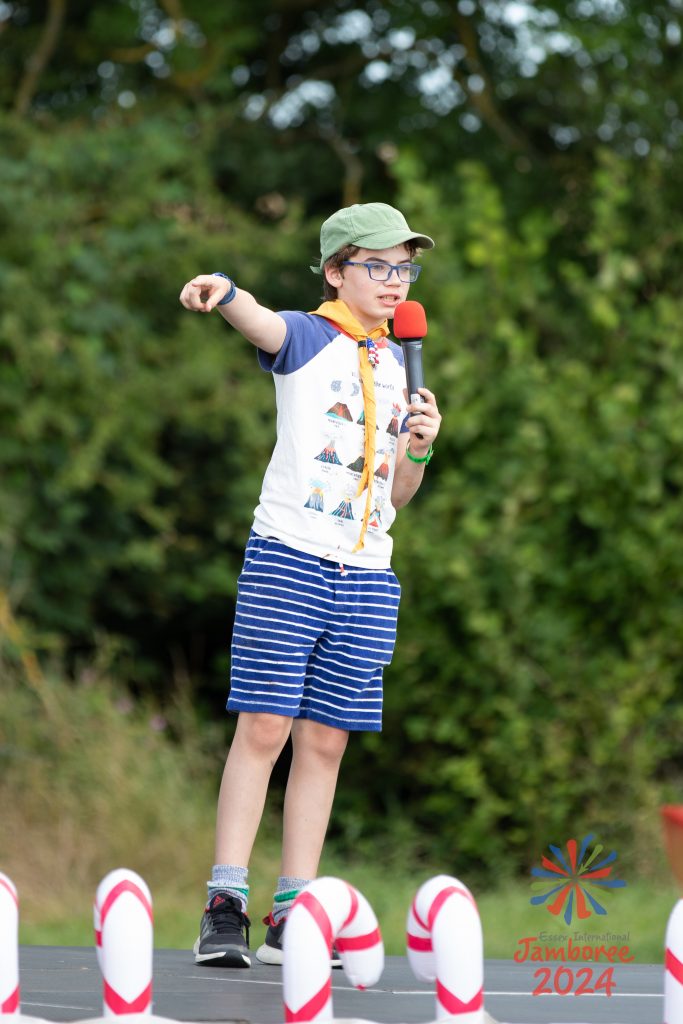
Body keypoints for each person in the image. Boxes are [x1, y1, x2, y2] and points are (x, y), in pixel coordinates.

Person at [179, 202, 442, 968]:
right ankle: (224, 902)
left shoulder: (399, 367)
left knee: (325, 740)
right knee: (264, 727)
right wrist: (223, 291)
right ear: (336, 271)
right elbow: (259, 320)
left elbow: (394, 497)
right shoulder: (307, 335)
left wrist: (418, 453)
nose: (395, 283)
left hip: (366, 574)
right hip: (289, 557)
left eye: (405, 269)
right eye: (379, 266)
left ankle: (293, 910)